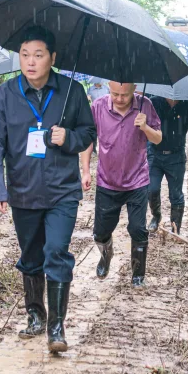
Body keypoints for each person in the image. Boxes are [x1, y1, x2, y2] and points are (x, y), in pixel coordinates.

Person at [0, 25, 96, 353]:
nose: (30, 62)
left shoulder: (71, 91)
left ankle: (56, 327)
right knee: (31, 255)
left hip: (62, 190)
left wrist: (70, 139)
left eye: (38, 55)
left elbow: (88, 131)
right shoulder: (4, 94)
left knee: (56, 253)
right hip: (24, 190)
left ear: (53, 58)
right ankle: (35, 314)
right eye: (24, 54)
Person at [79, 83, 161, 286]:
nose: (120, 98)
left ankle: (138, 274)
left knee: (138, 229)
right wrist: (86, 170)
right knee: (100, 231)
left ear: (134, 90)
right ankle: (106, 254)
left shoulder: (145, 105)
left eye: (125, 95)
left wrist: (145, 127)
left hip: (137, 180)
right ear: (108, 87)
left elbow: (158, 139)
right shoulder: (98, 106)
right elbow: (89, 140)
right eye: (115, 93)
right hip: (107, 181)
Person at [147, 96, 188, 235]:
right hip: (155, 154)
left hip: (176, 156)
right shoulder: (154, 102)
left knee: (176, 194)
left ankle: (175, 227)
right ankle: (156, 216)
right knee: (152, 189)